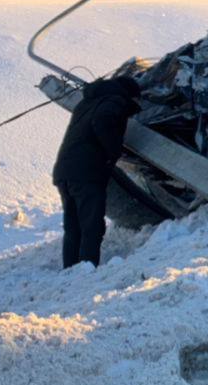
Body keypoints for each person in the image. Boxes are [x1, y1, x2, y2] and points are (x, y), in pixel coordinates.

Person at [51, 76, 142, 268]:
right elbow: (103, 121)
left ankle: (71, 270)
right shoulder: (114, 100)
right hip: (87, 172)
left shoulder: (88, 102)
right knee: (92, 225)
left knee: (73, 225)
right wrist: (113, 151)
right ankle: (86, 268)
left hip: (65, 171)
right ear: (129, 94)